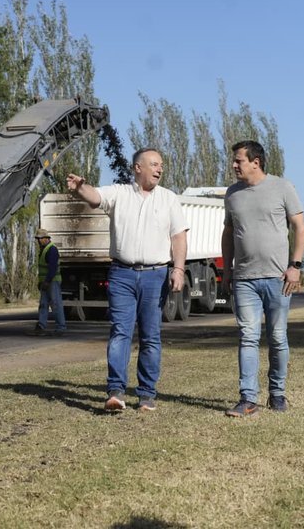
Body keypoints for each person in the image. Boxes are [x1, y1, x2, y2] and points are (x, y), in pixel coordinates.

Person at [67, 148, 188, 412]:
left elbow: (179, 236)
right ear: (138, 168)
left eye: (161, 166)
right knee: (120, 332)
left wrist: (178, 269)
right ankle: (116, 391)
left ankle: (146, 394)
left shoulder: (168, 199)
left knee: (150, 336)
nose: (159, 169)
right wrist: (79, 188)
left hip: (156, 275)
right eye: (154, 164)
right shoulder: (119, 193)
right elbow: (95, 197)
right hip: (121, 274)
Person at [222, 140, 304, 417]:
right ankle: (248, 399)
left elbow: (300, 227)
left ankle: (277, 393)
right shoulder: (232, 194)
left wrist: (295, 265)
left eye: (239, 161)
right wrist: (227, 271)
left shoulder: (283, 187)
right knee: (247, 336)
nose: (234, 165)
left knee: (278, 337)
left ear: (255, 162)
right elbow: (228, 233)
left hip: (278, 277)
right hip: (244, 278)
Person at [33, 228, 67, 337]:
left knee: (56, 304)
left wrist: (47, 281)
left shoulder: (51, 250)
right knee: (43, 304)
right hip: (46, 282)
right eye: (38, 239)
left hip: (52, 282)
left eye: (41, 238)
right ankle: (41, 326)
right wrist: (41, 282)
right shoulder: (44, 250)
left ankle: (61, 327)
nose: (39, 240)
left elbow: (52, 268)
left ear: (47, 238)